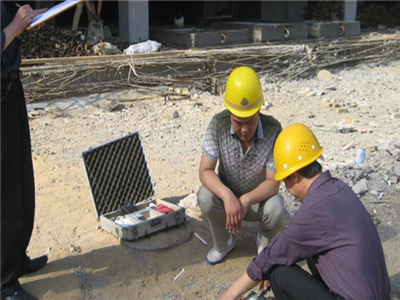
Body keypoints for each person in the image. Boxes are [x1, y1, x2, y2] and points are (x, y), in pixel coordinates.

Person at [218, 123, 390, 300]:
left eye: (285, 181)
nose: (289, 190)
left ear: (294, 176)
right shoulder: (337, 188)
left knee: (279, 274)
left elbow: (273, 254)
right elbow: (290, 246)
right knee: (308, 252)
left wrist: (231, 294)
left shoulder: (314, 212)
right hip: (378, 293)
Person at [198, 66, 289, 266]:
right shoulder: (217, 125)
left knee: (276, 207)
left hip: (257, 201)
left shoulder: (274, 130)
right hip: (227, 201)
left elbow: (273, 183)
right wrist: (227, 195)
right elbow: (205, 171)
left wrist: (245, 200)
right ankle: (224, 243)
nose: (245, 129)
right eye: (238, 122)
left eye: (251, 121)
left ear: (259, 110)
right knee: (205, 196)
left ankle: (264, 241)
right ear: (229, 113)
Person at [1, 2, 49, 300]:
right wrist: (14, 27)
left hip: (10, 89)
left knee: (20, 181)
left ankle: (17, 258)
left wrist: (28, 21)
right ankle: (4, 283)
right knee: (5, 192)